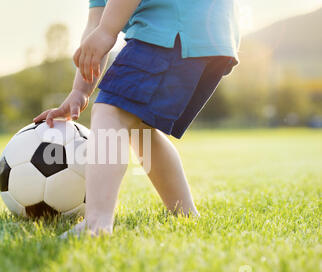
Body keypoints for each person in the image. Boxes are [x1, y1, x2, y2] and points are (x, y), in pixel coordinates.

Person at [33, 0, 241, 236]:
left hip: (174, 26)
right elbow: (95, 23)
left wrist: (107, 31)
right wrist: (80, 91)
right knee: (139, 126)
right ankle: (185, 213)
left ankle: (97, 223)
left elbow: (101, 28)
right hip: (205, 32)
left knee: (111, 112)